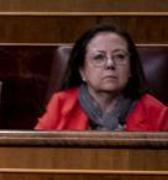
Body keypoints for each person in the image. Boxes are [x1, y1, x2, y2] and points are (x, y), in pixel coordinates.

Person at [36, 24, 168, 131]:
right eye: (99, 57)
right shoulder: (60, 104)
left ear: (130, 69)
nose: (110, 64)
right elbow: (37, 154)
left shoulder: (156, 112)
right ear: (82, 71)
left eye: (120, 56)